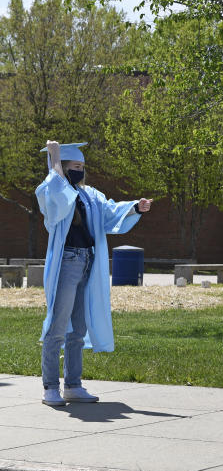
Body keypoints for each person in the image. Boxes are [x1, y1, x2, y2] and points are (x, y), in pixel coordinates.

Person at [35, 141, 152, 406]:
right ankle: (50, 387)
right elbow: (59, 195)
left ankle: (73, 385)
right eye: (75, 166)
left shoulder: (89, 195)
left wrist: (134, 207)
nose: (80, 170)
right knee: (57, 326)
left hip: (87, 260)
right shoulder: (48, 190)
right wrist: (53, 156)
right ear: (62, 167)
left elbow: (109, 212)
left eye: (82, 167)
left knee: (78, 327)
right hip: (66, 263)